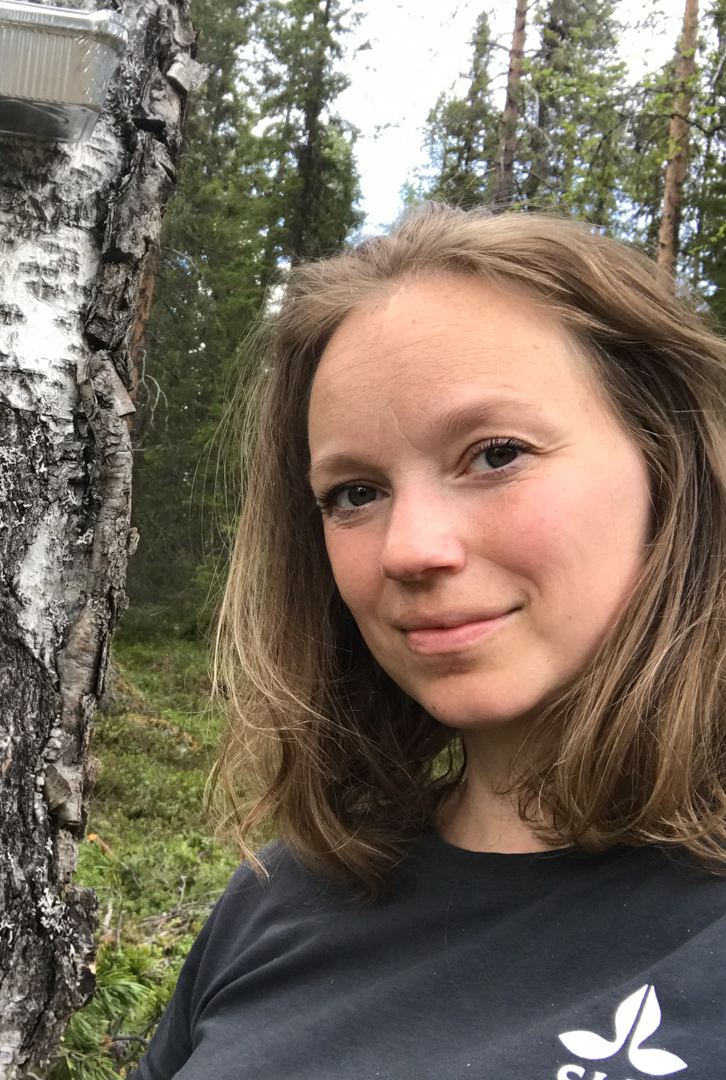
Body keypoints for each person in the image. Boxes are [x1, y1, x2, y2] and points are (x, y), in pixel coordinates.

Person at [132, 204, 726, 1080]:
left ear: (668, 468)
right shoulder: (284, 898)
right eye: (355, 493)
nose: (409, 549)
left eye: (494, 455)